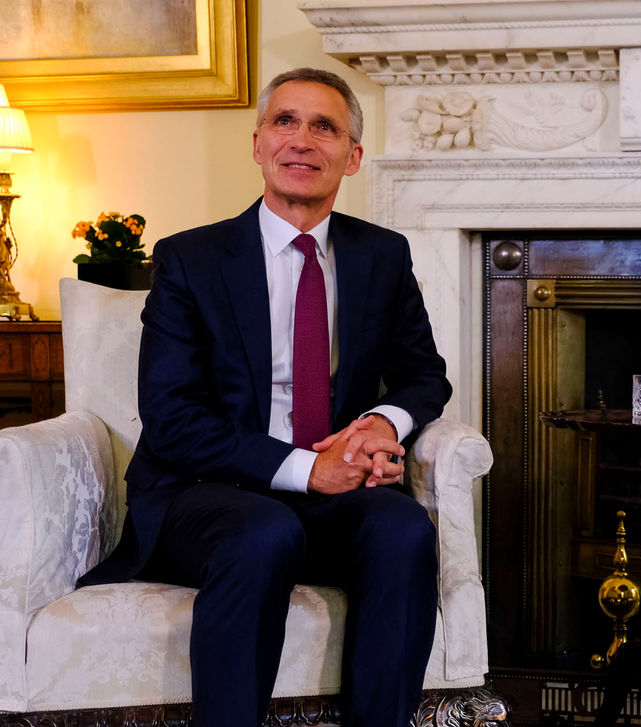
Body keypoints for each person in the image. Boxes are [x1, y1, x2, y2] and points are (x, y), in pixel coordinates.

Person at [77, 67, 452, 727]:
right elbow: (172, 418)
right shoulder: (191, 259)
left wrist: (378, 425)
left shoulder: (382, 255)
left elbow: (425, 375)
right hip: (204, 491)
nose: (302, 140)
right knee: (265, 529)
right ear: (258, 144)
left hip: (330, 501)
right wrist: (314, 469)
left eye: (325, 127)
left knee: (402, 528)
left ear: (352, 156)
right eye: (285, 121)